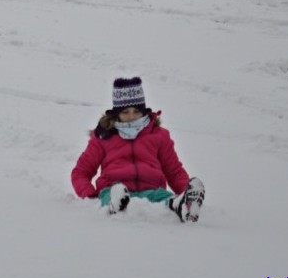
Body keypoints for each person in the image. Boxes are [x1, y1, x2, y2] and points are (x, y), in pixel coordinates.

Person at [71, 76, 206, 222]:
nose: (131, 116)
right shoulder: (104, 136)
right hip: (114, 188)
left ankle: (182, 205)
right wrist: (90, 196)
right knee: (112, 194)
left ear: (143, 111)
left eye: (136, 111)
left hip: (152, 190)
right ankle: (117, 204)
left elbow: (174, 171)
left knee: (164, 198)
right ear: (117, 114)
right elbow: (81, 172)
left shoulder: (158, 135)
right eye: (125, 112)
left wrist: (184, 190)